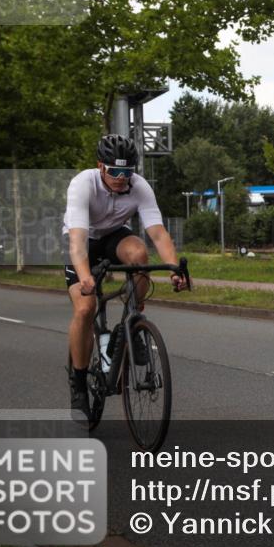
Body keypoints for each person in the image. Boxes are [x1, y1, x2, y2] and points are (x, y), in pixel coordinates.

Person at [63, 134, 185, 420]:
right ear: (100, 167)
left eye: (126, 172)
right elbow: (78, 242)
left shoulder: (139, 187)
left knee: (140, 254)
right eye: (114, 171)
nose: (120, 178)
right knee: (85, 308)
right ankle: (79, 384)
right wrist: (85, 277)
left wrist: (174, 269)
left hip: (114, 235)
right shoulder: (84, 184)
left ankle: (132, 320)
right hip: (82, 240)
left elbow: (158, 233)